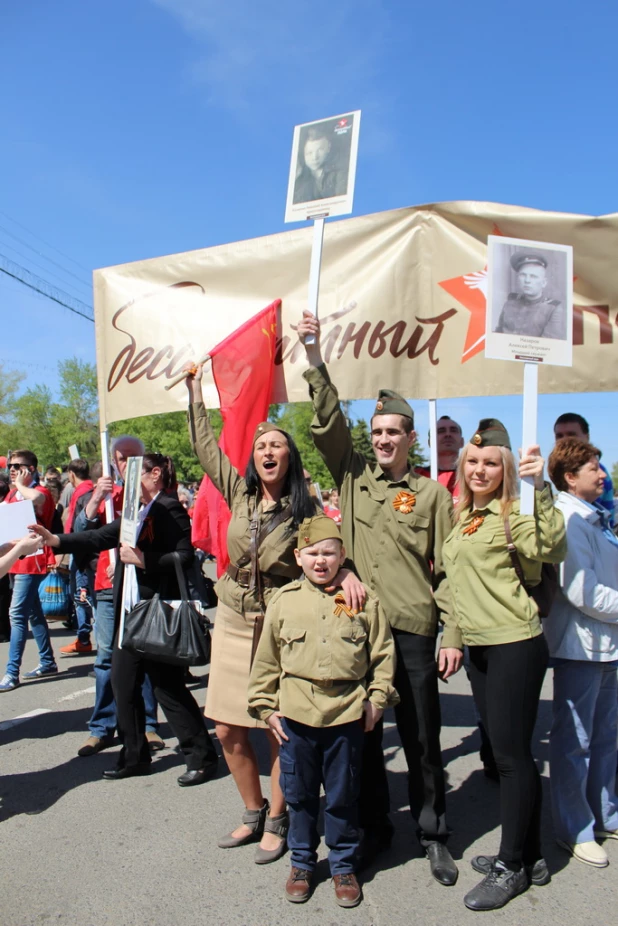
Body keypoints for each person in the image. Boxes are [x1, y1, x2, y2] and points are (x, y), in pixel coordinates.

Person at [298, 311, 462, 886]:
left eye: (395, 431)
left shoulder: (431, 495)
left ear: (411, 438)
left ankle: (433, 833)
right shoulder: (351, 474)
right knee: (362, 739)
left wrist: (454, 633)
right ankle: (374, 829)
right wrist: (316, 358)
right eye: (378, 431)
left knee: (421, 738)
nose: (385, 438)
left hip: (415, 628)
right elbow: (328, 422)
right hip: (358, 626)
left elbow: (450, 572)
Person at [185, 362, 364, 863]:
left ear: (289, 457)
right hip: (233, 618)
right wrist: (195, 392)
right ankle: (252, 810)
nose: (268, 451)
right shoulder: (238, 493)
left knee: (277, 726)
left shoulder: (305, 510)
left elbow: (328, 552)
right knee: (225, 726)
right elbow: (204, 448)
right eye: (262, 446)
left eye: (277, 445)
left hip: (278, 627)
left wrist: (346, 571)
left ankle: (280, 820)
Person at [442, 419, 566, 911]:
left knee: (513, 758)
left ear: (506, 468)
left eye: (490, 463)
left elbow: (551, 547)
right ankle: (530, 853)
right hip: (479, 646)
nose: (479, 469)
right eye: (472, 461)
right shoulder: (463, 515)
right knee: (504, 750)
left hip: (515, 641)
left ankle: (511, 865)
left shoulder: (516, 511)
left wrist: (543, 491)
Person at [32, 453, 216, 785]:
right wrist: (56, 540)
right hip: (129, 613)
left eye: (133, 475)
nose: (125, 482)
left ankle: (202, 756)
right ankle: (134, 756)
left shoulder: (168, 508)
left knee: (167, 688)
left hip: (156, 612)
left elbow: (185, 555)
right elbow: (100, 537)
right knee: (122, 684)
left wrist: (146, 559)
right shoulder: (136, 511)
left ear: (155, 474)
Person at [248, 515, 398, 907]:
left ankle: (343, 865)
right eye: (312, 553)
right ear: (298, 557)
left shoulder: (363, 599)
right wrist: (265, 708)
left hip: (346, 714)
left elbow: (382, 656)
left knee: (343, 795)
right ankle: (301, 861)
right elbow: (266, 661)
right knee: (298, 796)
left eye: (329, 553)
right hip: (296, 716)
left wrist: (377, 699)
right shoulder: (284, 602)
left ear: (342, 555)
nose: (320, 560)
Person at [546, 438, 618, 868]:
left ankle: (604, 812)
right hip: (582, 648)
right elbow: (581, 591)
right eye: (594, 468)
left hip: (607, 646)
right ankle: (574, 828)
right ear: (571, 478)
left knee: (607, 739)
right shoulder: (569, 521)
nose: (602, 474)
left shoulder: (594, 518)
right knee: (576, 743)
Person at [74, 435, 163, 758]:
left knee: (145, 654)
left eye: (132, 458)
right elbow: (82, 530)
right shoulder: (105, 493)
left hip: (139, 585)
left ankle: (147, 725)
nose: (126, 465)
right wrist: (97, 496)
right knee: (106, 658)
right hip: (106, 587)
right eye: (121, 459)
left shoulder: (149, 495)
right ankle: (101, 727)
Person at [0, 450, 59, 692]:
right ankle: (47, 661)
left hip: (32, 561)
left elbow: (37, 499)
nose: (12, 469)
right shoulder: (14, 492)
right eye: (10, 466)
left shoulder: (37, 490)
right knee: (33, 613)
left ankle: (11, 672)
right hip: (15, 559)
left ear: (31, 469)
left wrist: (20, 485)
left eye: (17, 466)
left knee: (16, 615)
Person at [554, 413, 615, 528]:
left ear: (586, 437)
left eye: (571, 435)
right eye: (559, 436)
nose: (565, 440)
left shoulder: (597, 474)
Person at [60, 459, 94, 656]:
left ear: (72, 473)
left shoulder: (81, 492)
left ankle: (83, 638)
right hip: (80, 548)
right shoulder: (88, 490)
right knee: (83, 595)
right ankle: (83, 637)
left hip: (80, 550)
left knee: (82, 596)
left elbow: (76, 524)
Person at [494, 251, 566, 340]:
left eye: (533, 276)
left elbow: (549, 344)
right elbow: (498, 333)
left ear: (544, 283)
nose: (527, 280)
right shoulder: (510, 302)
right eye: (523, 275)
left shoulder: (553, 308)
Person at [293, 126, 348, 205]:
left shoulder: (340, 172)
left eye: (320, 150)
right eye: (309, 153)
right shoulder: (300, 177)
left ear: (328, 148)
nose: (315, 157)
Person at [416, 415, 464, 502]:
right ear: (430, 442)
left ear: (462, 442)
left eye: (453, 430)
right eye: (440, 431)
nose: (448, 434)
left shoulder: (471, 477)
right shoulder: (417, 476)